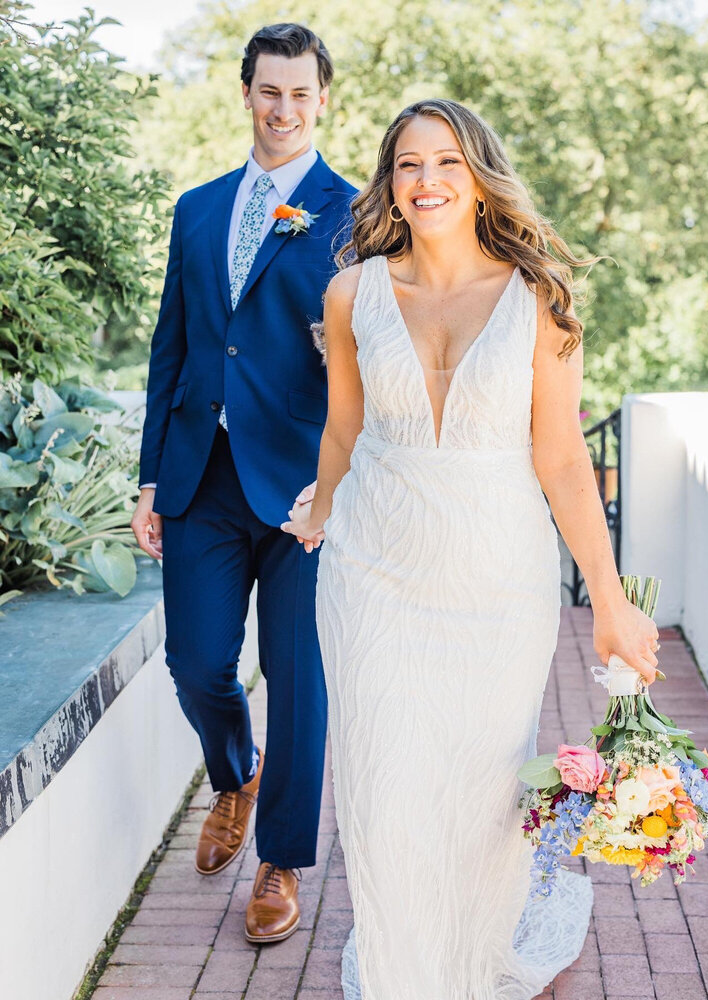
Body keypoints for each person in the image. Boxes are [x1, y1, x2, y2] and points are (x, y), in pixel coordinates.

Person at [281, 99, 660, 998]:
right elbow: (344, 429)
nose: (427, 180)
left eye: (446, 161)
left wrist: (608, 601)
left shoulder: (539, 302)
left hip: (499, 577)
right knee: (384, 783)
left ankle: (471, 954)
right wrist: (319, 505)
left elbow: (563, 459)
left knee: (487, 789)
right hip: (374, 564)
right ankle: (404, 968)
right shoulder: (351, 294)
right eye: (408, 165)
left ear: (479, 173)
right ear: (389, 182)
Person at [131, 23, 356, 944]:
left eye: (302, 94)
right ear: (246, 92)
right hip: (200, 476)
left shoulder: (355, 213)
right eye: (271, 91)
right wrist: (149, 476)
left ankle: (280, 861)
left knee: (300, 678)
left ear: (323, 100)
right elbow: (172, 348)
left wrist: (343, 486)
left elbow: (365, 363)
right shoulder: (197, 207)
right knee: (196, 664)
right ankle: (233, 776)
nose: (285, 109)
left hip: (306, 490)